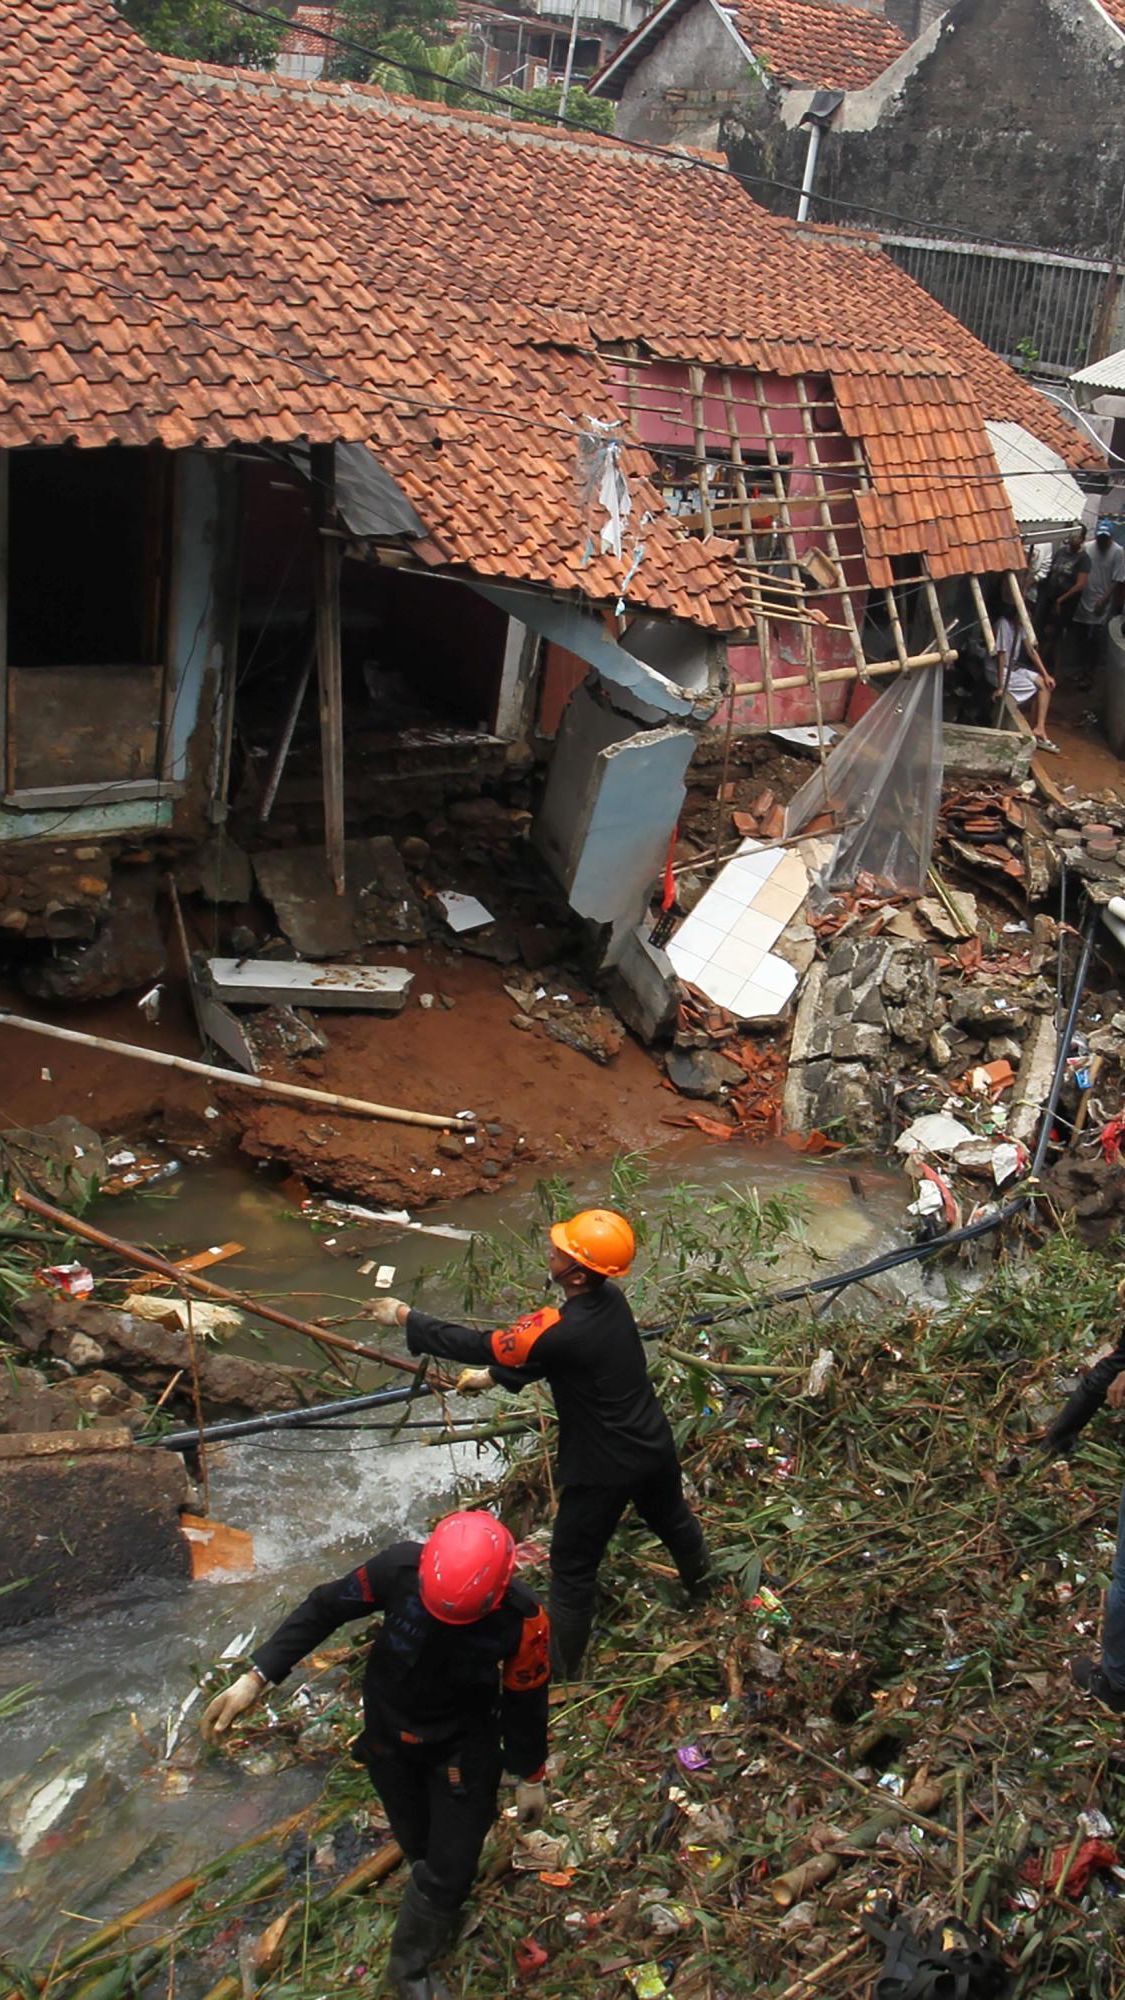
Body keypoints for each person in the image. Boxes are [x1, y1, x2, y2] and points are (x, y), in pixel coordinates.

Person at [200, 1511, 549, 2000]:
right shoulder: (398, 1569)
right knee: (417, 1842)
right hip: (389, 1734)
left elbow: (525, 1699)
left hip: (462, 1744)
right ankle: (432, 1903)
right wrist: (255, 1677)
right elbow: (324, 1608)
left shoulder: (522, 1620)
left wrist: (530, 1772)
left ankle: (408, 1971)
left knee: (454, 1863)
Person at [370, 1209, 710, 1679]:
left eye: (561, 1252)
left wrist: (407, 1317)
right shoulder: (610, 1301)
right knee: (673, 1520)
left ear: (575, 1271)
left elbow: (480, 1342)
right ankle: (707, 1594)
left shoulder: (562, 1328)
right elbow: (560, 1357)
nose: (551, 1253)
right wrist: (495, 1378)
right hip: (652, 1445)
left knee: (572, 1570)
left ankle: (565, 1675)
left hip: (601, 1470)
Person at [984, 599, 1056, 750]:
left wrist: (1046, 674)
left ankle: (1039, 727)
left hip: (1013, 667)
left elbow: (1031, 651)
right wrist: (1000, 686)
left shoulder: (1021, 627)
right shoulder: (1004, 624)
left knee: (1043, 684)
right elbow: (1001, 655)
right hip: (997, 669)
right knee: (1030, 686)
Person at [1070, 518, 1125, 690]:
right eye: (1100, 537)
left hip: (1101, 602)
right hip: (1083, 599)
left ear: (1111, 538)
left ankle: (1090, 673)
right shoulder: (1088, 548)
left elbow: (1117, 580)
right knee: (1080, 638)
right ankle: (1079, 670)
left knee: (1094, 640)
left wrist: (1105, 599)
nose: (1102, 541)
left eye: (1105, 538)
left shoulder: (1118, 552)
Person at [1036, 523, 1090, 669]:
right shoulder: (1061, 552)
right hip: (1049, 598)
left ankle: (1050, 669)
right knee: (1041, 630)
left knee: (1054, 635)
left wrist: (1061, 600)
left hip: (1065, 603)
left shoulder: (1083, 559)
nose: (1074, 539)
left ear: (1083, 539)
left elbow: (1080, 584)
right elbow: (1051, 572)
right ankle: (1041, 664)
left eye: (1078, 536)